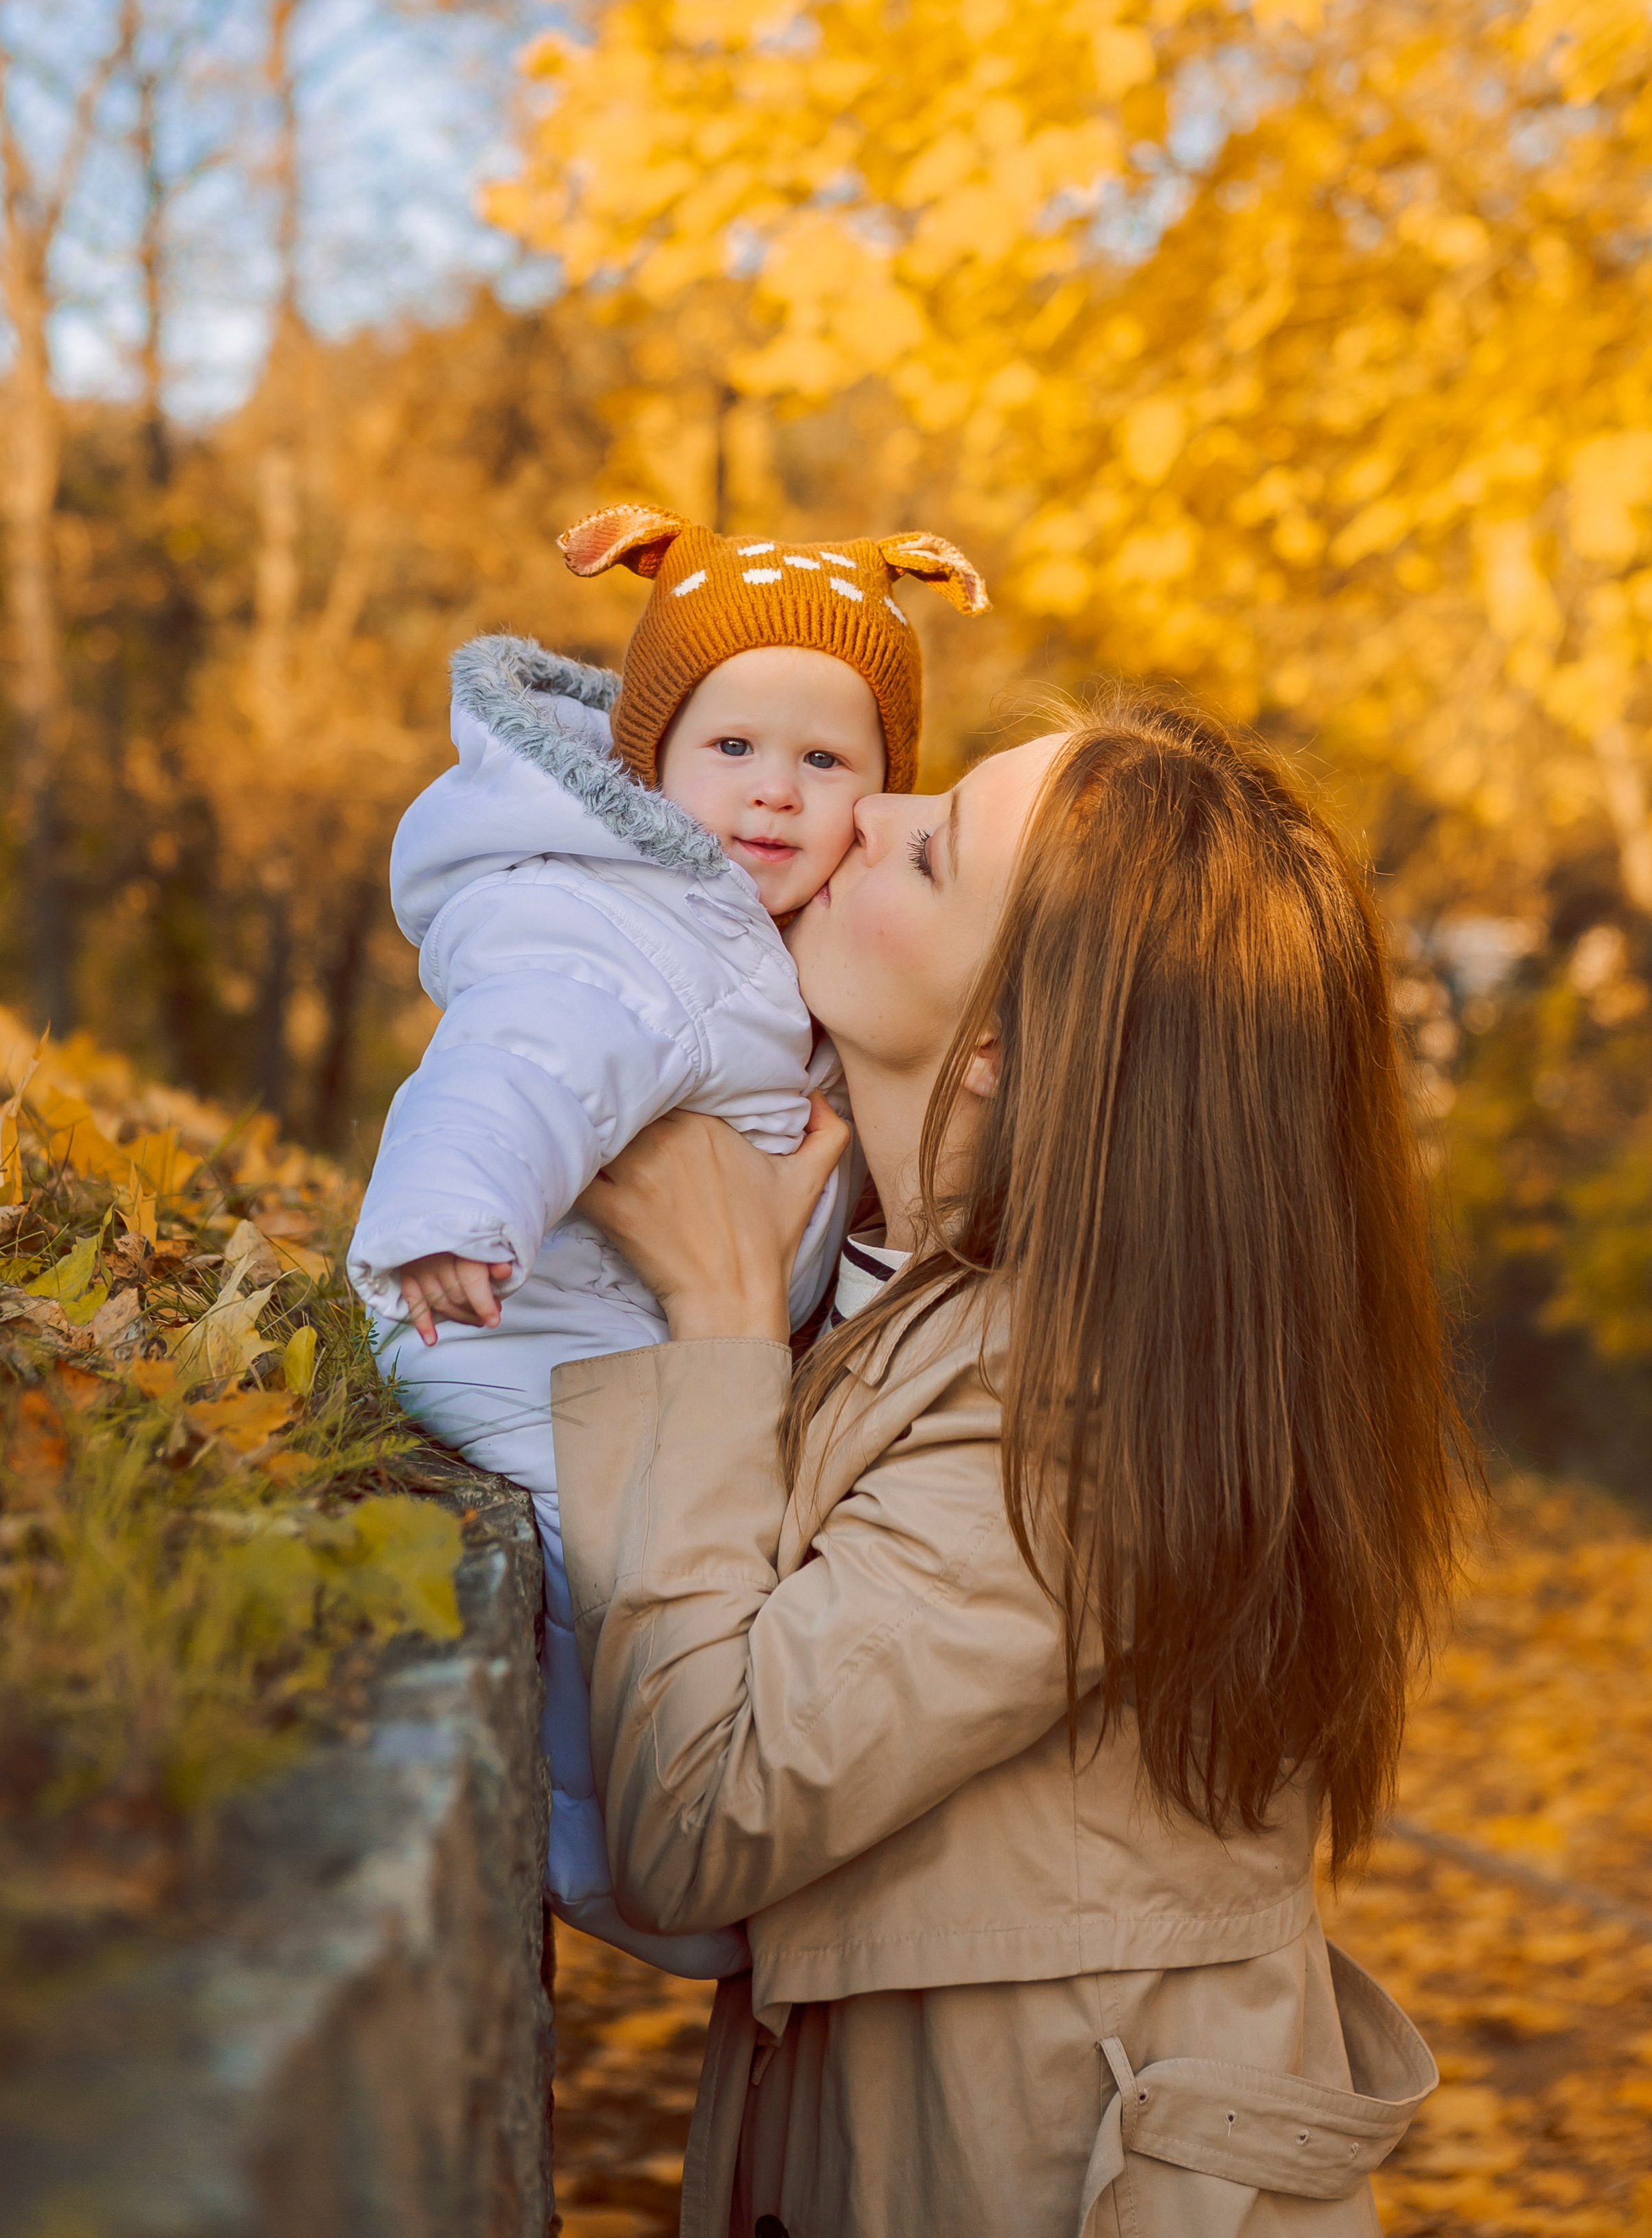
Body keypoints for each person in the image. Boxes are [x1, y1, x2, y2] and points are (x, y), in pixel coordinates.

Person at [564, 695, 1470, 2235]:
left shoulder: (1077, 1416)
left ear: (996, 1045)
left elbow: (697, 1811)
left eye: (931, 853)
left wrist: (713, 1323)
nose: (863, 814)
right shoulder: (938, 1294)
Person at [345, 501, 987, 1976]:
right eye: (732, 751)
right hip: (515, 1332)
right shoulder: (633, 931)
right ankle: (620, 1858)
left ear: (880, 790)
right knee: (596, 1563)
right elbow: (521, 1059)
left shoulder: (745, 952)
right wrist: (451, 1216)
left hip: (621, 1337)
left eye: (824, 763)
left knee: (665, 1556)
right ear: (649, 761)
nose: (772, 796)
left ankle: (653, 1840)